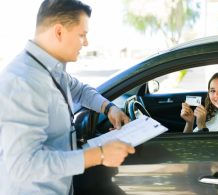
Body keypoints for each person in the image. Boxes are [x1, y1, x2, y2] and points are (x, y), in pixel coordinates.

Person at [0, 0, 135, 194]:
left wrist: (109, 108)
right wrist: (100, 155)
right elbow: (25, 165)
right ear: (59, 32)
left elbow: (80, 91)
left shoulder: (53, 71)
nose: (86, 42)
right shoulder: (22, 82)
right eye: (82, 35)